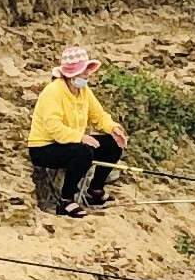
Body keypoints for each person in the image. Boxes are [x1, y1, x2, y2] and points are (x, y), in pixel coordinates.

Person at [26, 44, 126, 214]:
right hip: (44, 147)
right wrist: (80, 137)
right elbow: (54, 128)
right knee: (83, 152)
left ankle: (95, 190)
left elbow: (98, 116)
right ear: (70, 74)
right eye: (82, 71)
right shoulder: (53, 91)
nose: (86, 75)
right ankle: (66, 200)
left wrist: (113, 129)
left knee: (113, 145)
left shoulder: (84, 90)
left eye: (87, 70)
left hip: (70, 142)